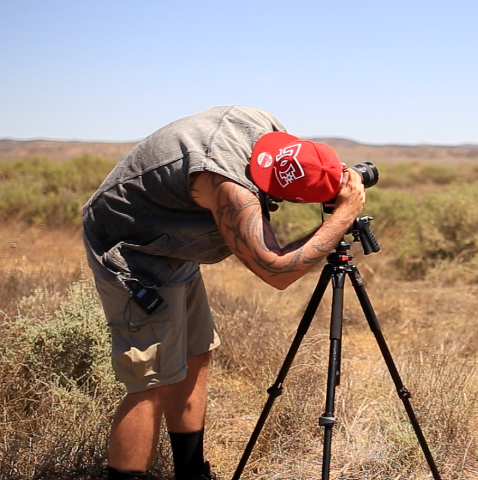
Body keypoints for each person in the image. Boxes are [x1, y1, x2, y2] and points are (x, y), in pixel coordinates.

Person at [82, 105, 366, 480]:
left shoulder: (264, 127)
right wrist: (343, 215)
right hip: (132, 253)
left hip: (172, 243)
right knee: (151, 381)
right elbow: (276, 271)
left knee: (194, 354)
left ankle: (191, 474)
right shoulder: (228, 186)